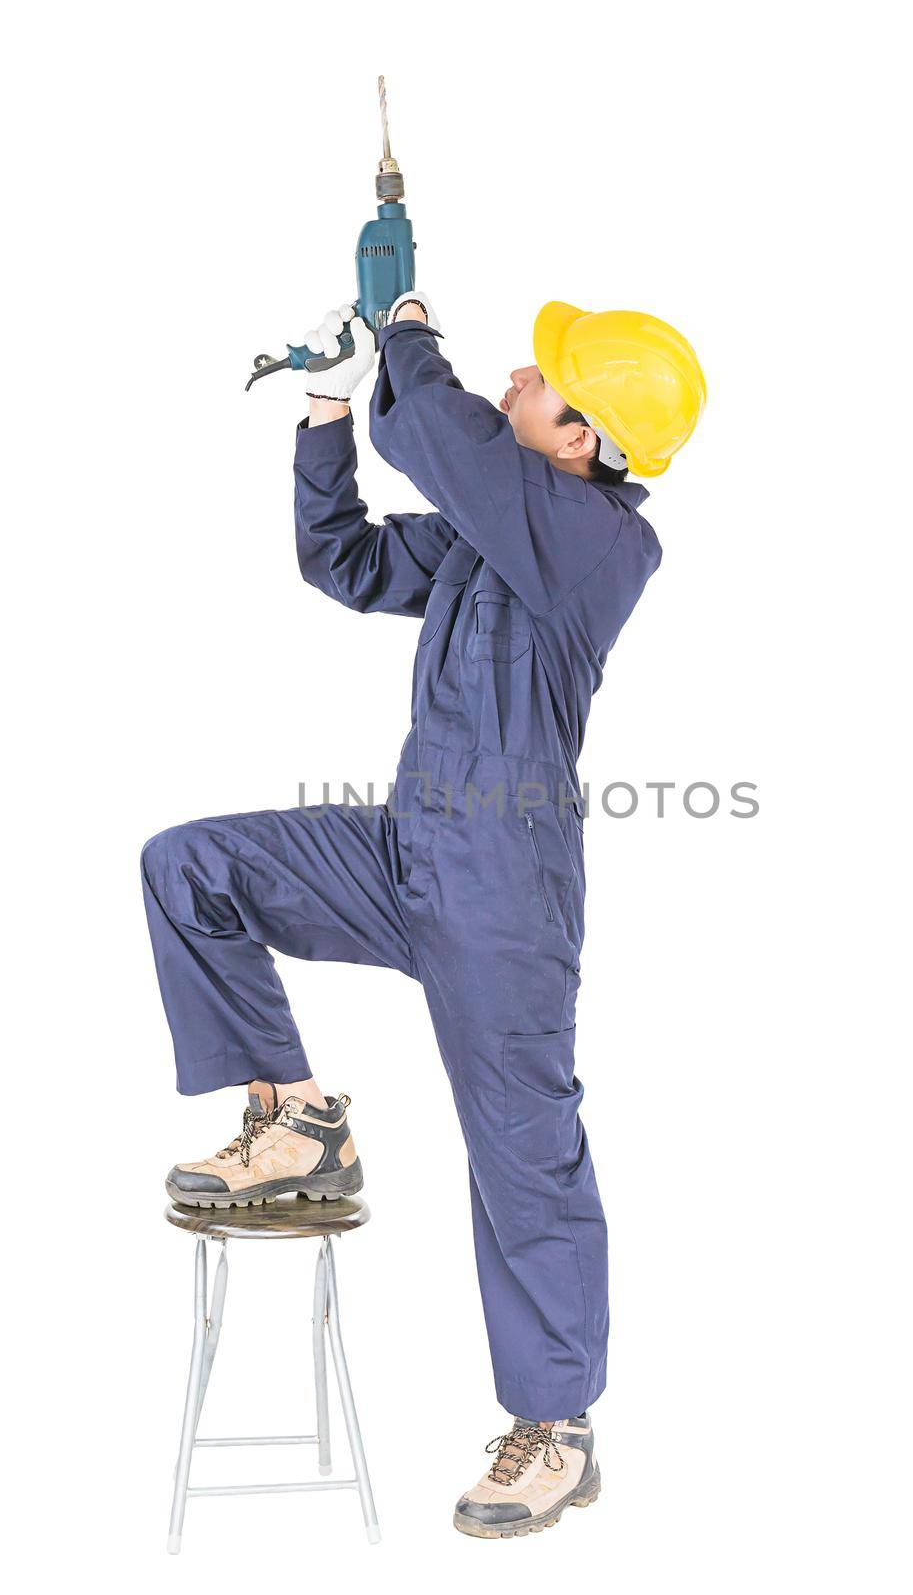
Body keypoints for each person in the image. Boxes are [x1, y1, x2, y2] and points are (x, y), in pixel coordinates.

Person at [142, 292, 705, 1537]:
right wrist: (332, 406)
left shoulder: (596, 542)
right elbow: (340, 560)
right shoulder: (488, 532)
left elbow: (443, 435)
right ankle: (295, 1121)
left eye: (543, 378)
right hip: (407, 849)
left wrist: (404, 323)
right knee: (192, 867)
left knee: (522, 1157)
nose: (517, 373)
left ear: (581, 438)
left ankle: (554, 1428)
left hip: (505, 889)